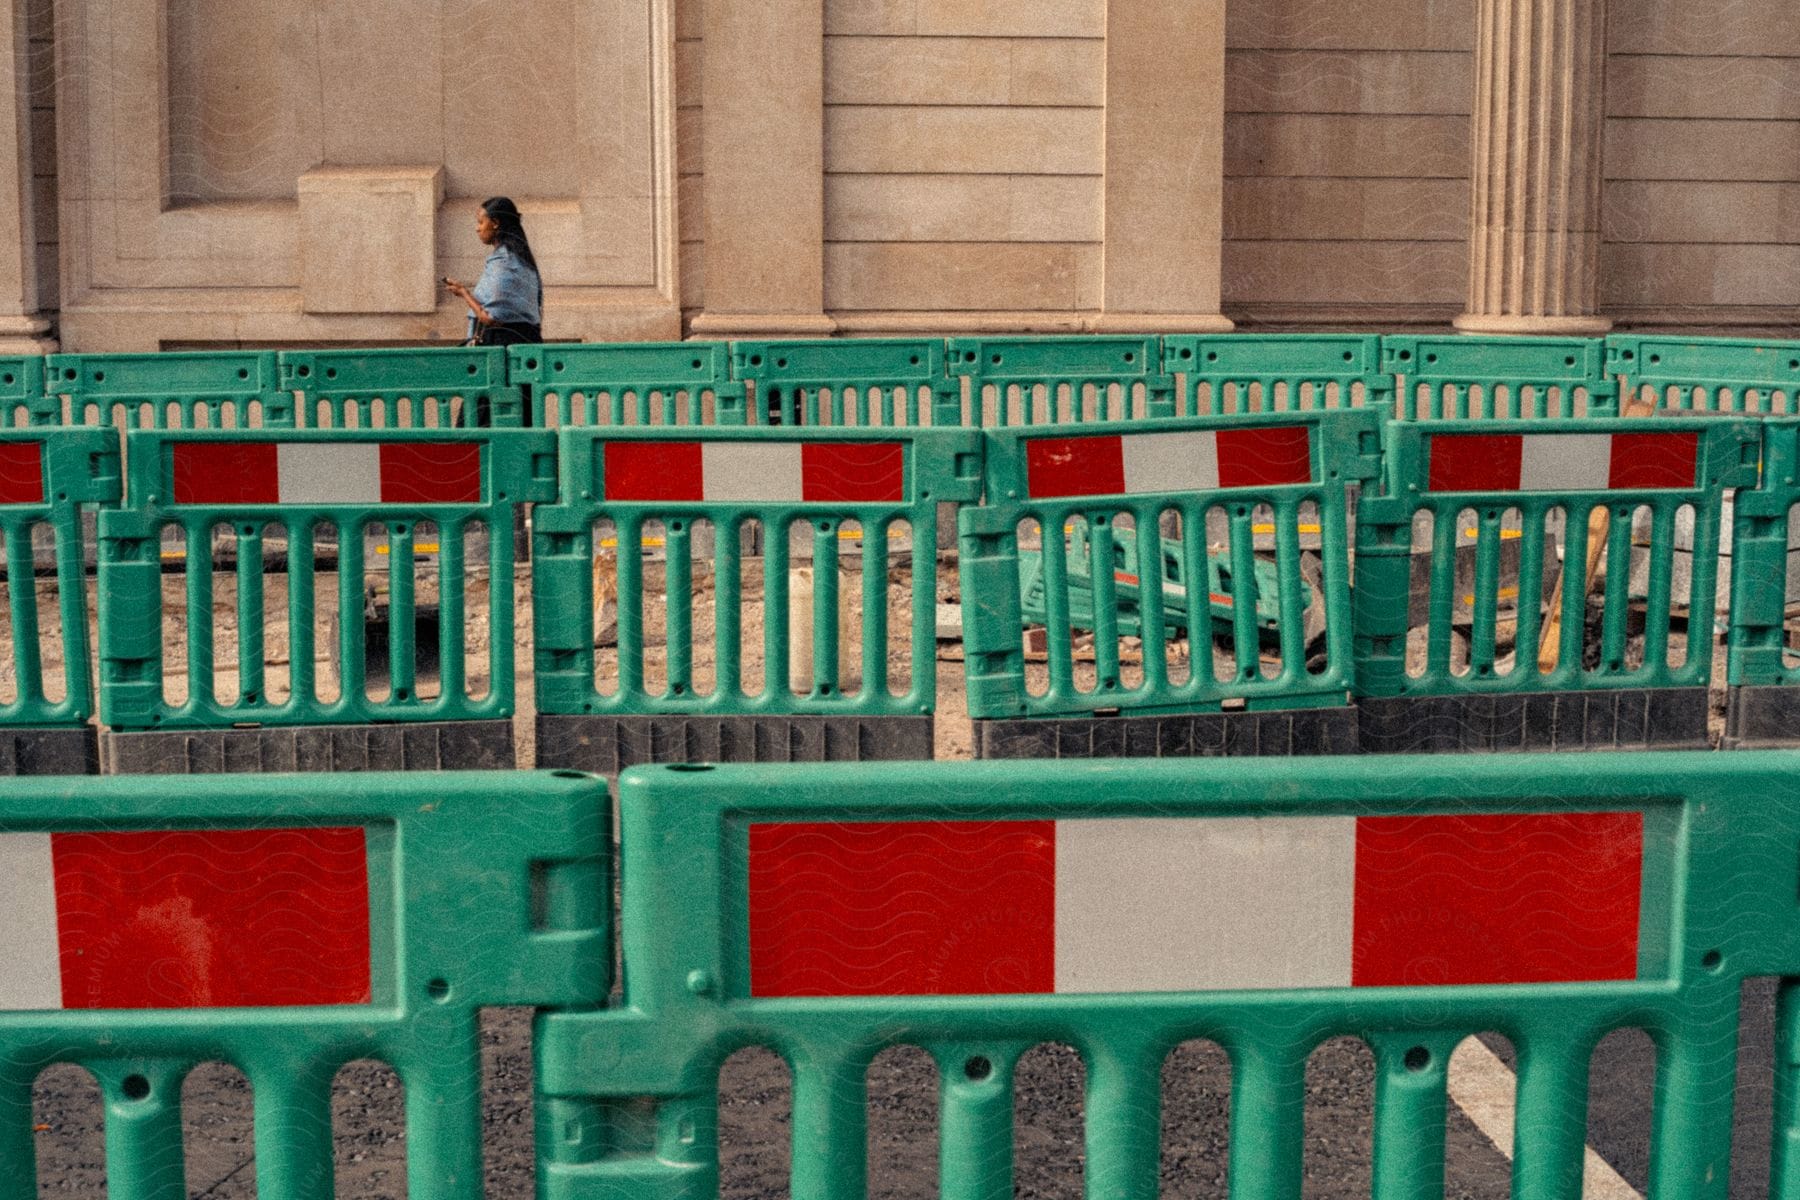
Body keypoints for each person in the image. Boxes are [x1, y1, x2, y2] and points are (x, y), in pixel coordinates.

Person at [444, 197, 543, 347]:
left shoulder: (504, 261)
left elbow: (490, 317)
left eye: (481, 222)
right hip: (525, 343)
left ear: (495, 223)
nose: (477, 228)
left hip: (502, 346)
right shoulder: (521, 259)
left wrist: (464, 293)